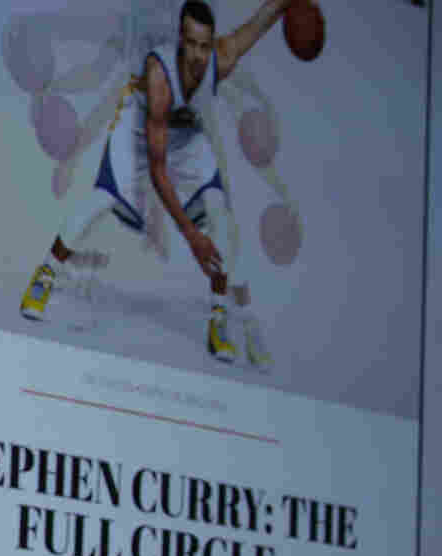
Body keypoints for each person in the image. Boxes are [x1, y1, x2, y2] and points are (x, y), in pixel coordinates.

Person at [20, 0, 306, 371]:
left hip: (188, 137)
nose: (200, 55)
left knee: (222, 216)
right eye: (192, 45)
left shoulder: (223, 57)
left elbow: (263, 19)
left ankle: (222, 319)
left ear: (212, 43)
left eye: (206, 46)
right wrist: (191, 235)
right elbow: (158, 172)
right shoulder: (159, 75)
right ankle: (45, 275)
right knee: (102, 201)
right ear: (181, 41)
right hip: (139, 133)